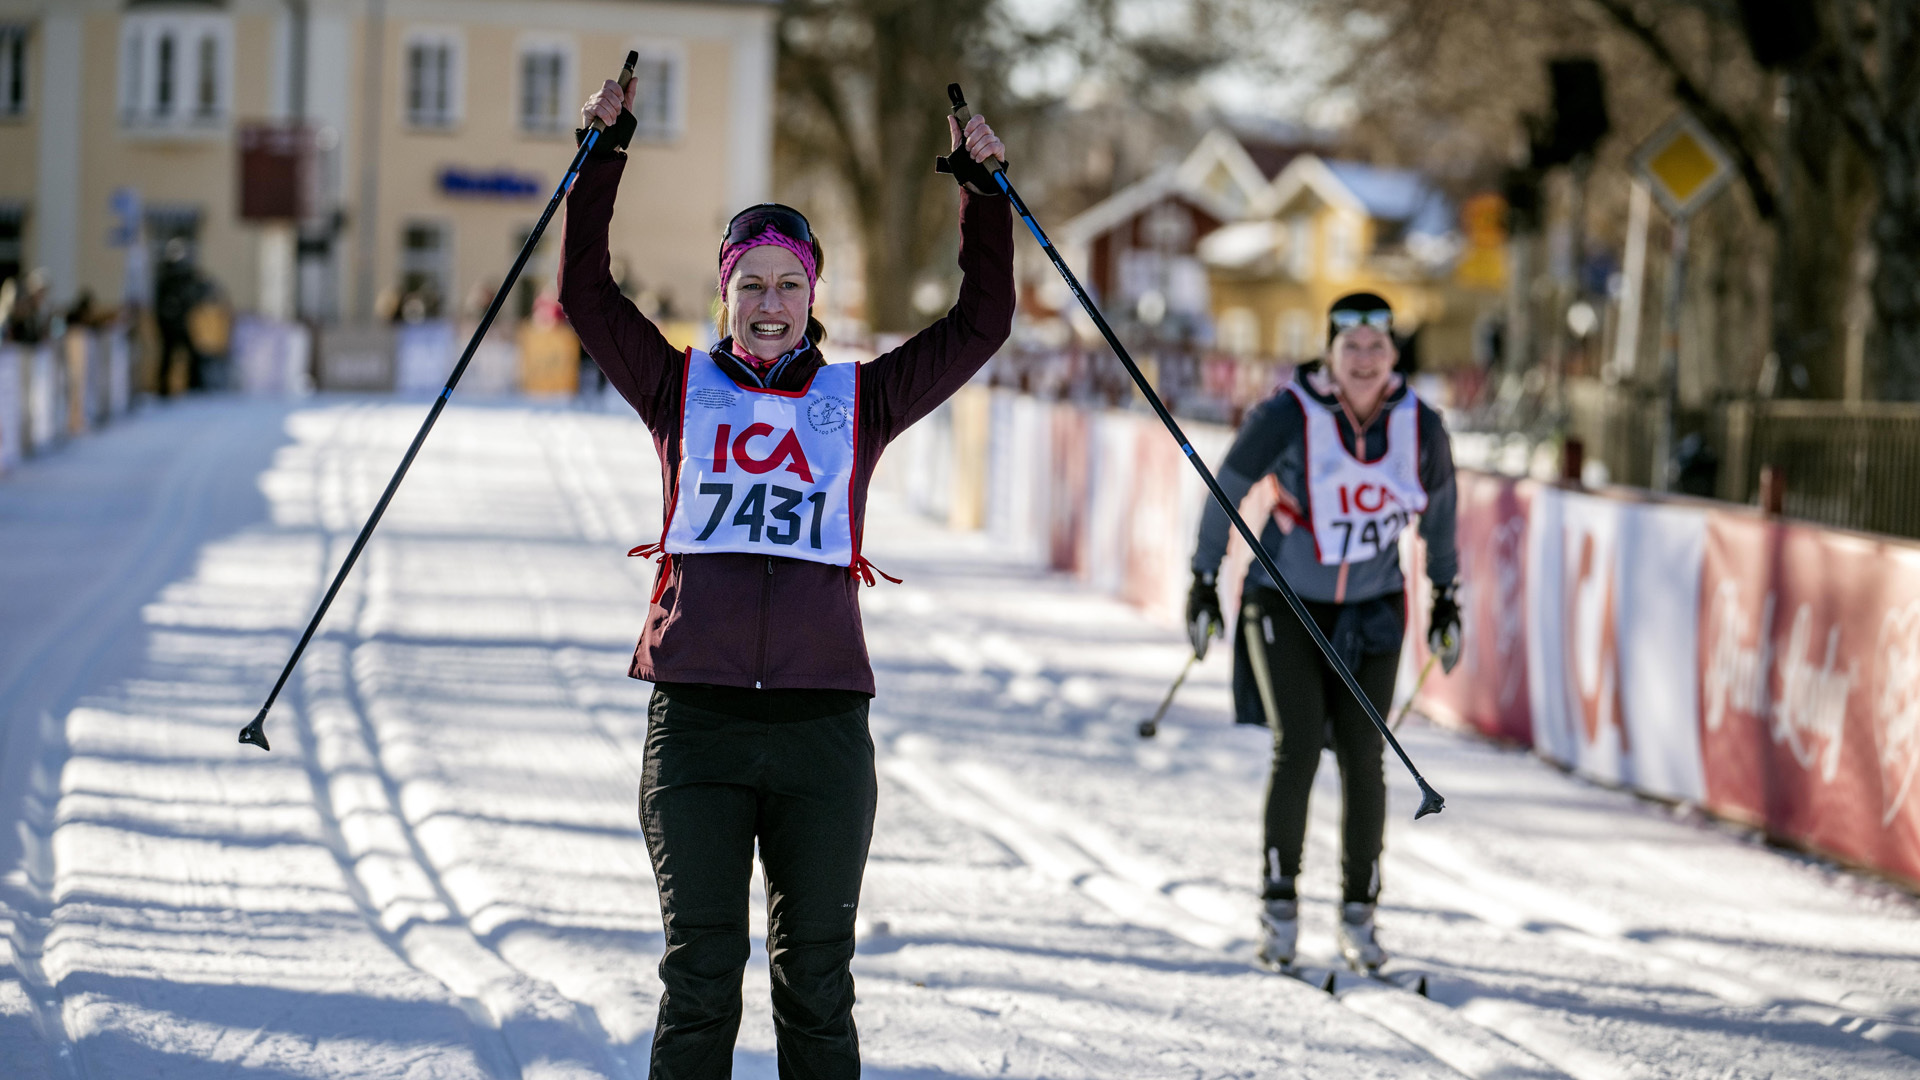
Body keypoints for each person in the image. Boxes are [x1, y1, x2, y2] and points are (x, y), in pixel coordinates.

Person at [559, 76, 1011, 1078]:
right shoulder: (678, 386)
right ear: (725, 294)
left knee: (816, 983)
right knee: (702, 976)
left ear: (815, 297)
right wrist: (602, 155)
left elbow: (981, 324)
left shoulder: (863, 399)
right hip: (699, 730)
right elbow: (585, 295)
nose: (770, 306)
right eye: (751, 286)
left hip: (821, 735)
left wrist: (983, 195)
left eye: (788, 286)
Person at [1186, 292, 1460, 973]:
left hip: (1373, 607)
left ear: (1394, 354)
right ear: (1330, 355)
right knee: (1300, 745)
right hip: (1285, 600)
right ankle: (1279, 909)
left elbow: (1443, 515)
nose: (1364, 362)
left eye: (1377, 348)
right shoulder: (1287, 414)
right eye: (1350, 349)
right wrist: (1202, 578)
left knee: (1365, 756)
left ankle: (1359, 912)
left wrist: (1446, 595)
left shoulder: (1420, 425)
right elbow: (1228, 485)